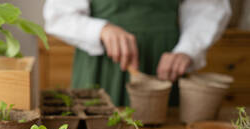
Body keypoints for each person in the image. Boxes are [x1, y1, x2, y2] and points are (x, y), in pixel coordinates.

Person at [43, 0, 232, 106]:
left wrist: (188, 48)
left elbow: (208, 5)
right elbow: (56, 14)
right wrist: (101, 30)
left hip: (165, 63)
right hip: (102, 64)